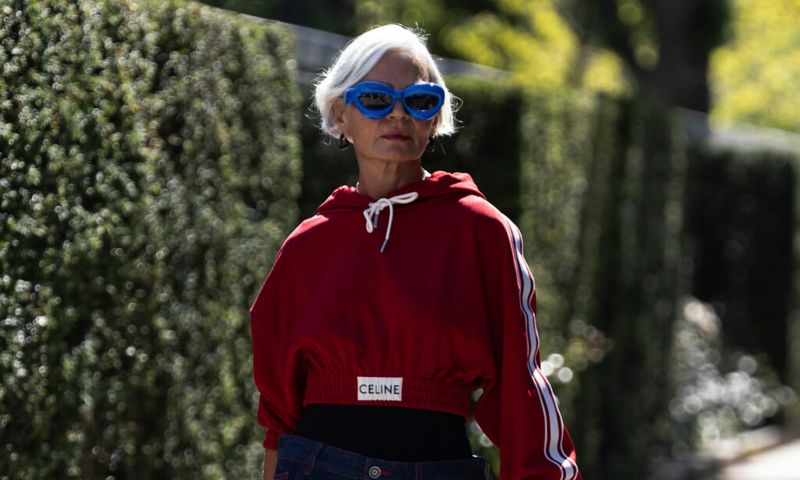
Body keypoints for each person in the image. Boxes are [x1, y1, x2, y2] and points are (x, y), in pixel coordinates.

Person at [250, 23, 581, 480]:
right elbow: (279, 415)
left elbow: (521, 389)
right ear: (340, 115)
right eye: (375, 98)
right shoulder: (306, 245)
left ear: (435, 119)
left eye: (419, 100)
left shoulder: (481, 231)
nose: (398, 115)